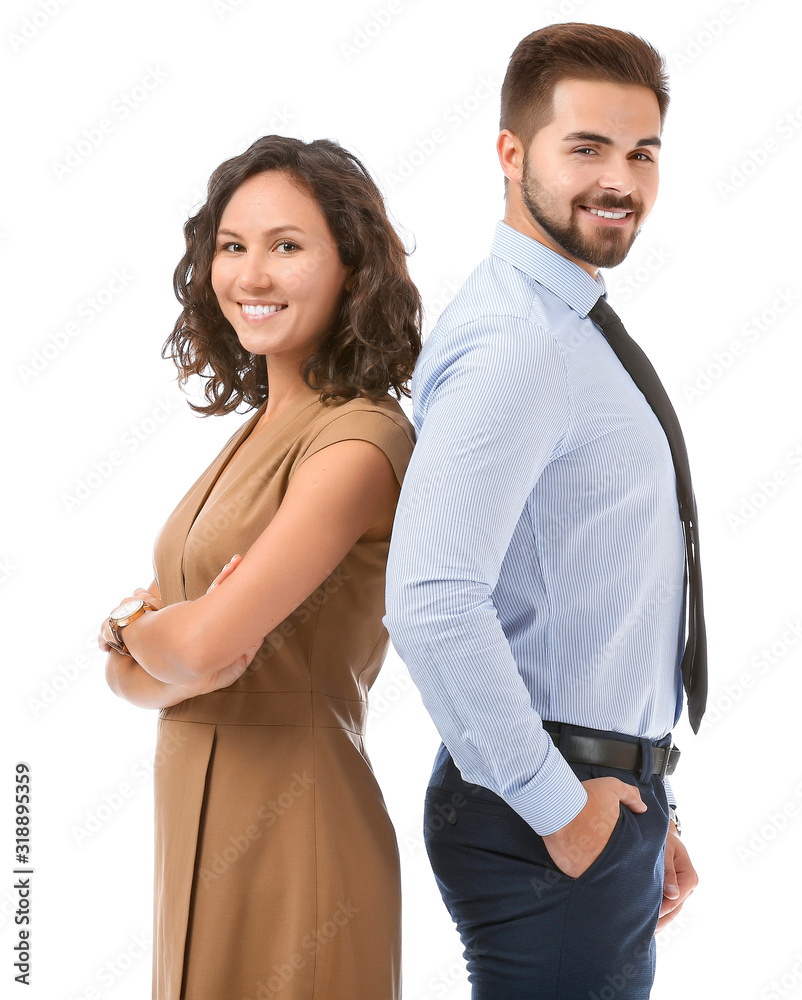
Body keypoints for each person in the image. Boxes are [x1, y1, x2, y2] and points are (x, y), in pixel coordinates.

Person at [385, 23, 707, 1000]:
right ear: (511, 154)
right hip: (548, 814)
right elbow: (434, 597)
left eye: (641, 151)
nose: (620, 179)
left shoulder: (562, 325)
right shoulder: (519, 344)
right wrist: (561, 809)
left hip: (596, 793)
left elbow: (593, 587)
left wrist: (652, 803)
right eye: (586, 148)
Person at [99, 135, 421, 1000]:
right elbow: (143, 677)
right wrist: (150, 652)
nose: (251, 275)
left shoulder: (361, 438)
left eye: (287, 246)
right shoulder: (249, 437)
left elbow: (198, 651)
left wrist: (134, 631)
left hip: (299, 832)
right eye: (232, 247)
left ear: (353, 269)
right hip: (192, 830)